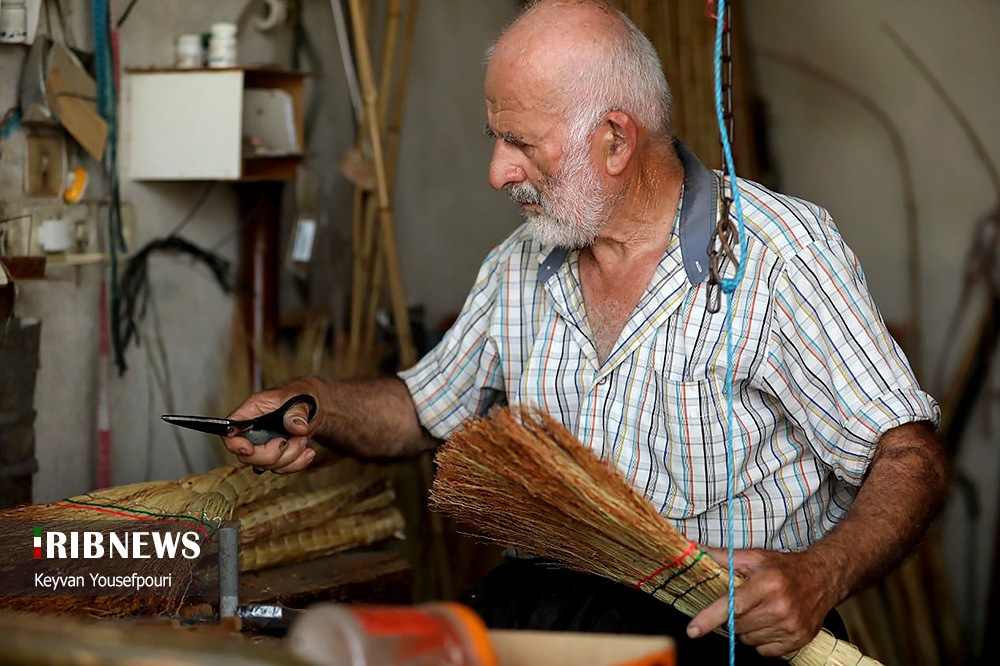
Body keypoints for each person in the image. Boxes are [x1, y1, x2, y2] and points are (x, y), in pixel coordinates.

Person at [222, 1, 949, 662]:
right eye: (495, 138)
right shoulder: (520, 267)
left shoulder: (777, 255)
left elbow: (907, 455)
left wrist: (820, 573)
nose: (498, 171)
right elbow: (421, 409)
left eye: (521, 143)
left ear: (613, 141)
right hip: (550, 611)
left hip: (716, 634)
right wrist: (313, 404)